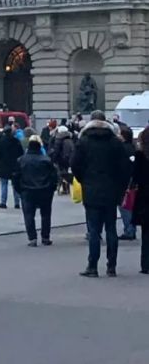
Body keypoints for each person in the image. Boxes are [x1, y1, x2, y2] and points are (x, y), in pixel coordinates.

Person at [72, 110, 133, 278]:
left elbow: (75, 165)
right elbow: (126, 169)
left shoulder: (83, 141)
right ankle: (111, 266)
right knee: (111, 229)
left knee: (94, 231)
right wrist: (120, 188)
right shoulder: (115, 142)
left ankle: (92, 266)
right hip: (111, 191)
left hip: (91, 190)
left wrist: (84, 180)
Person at [15, 137, 57, 247]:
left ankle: (32, 238)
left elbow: (16, 176)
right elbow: (54, 176)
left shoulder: (21, 160)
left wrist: (19, 189)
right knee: (46, 215)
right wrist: (52, 188)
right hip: (45, 190)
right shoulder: (46, 160)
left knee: (29, 215)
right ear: (40, 148)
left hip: (27, 190)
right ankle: (45, 237)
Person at [129, 128, 149, 273]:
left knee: (146, 232)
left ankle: (146, 264)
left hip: (145, 196)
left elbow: (135, 177)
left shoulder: (140, 155)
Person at [0, 122, 23, 210]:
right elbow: (21, 154)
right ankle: (17, 203)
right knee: (15, 185)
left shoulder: (1, 142)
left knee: (4, 184)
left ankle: (3, 202)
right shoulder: (17, 141)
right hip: (14, 166)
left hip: (3, 166)